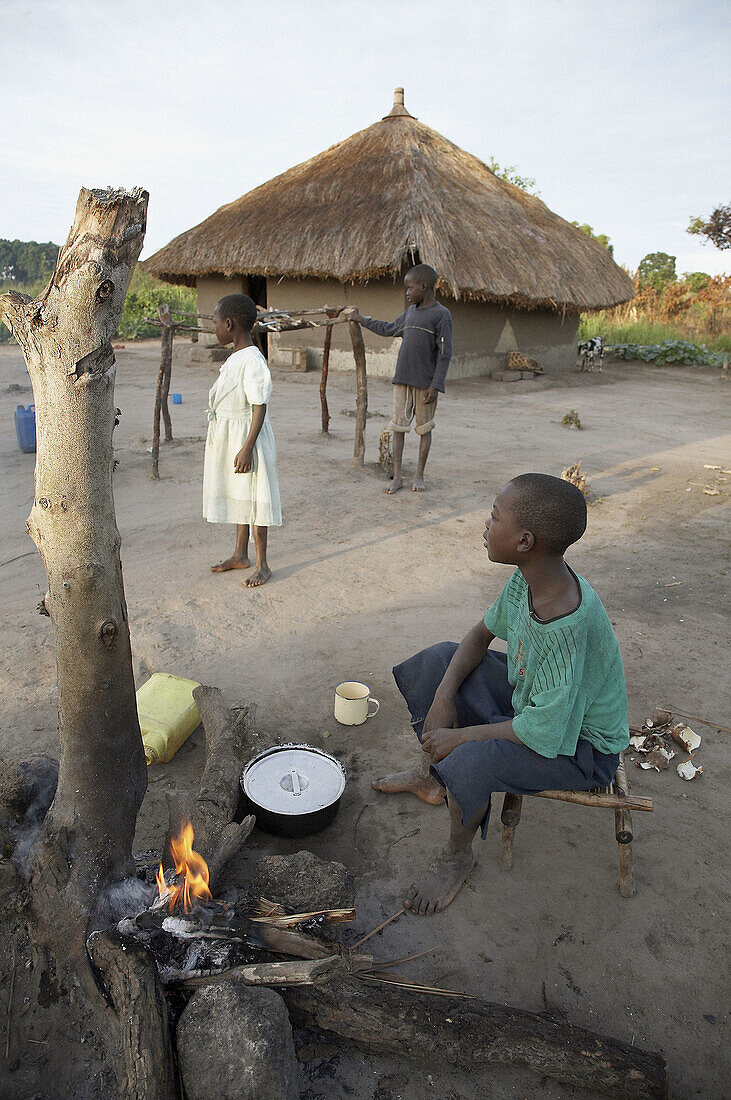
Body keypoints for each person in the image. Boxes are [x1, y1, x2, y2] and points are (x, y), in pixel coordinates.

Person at [372, 473, 630, 915]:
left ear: (525, 541)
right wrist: (442, 698)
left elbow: (543, 731)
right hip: (536, 705)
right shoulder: (528, 579)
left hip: (578, 747)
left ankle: (457, 855)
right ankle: (430, 776)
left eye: (494, 517)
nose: (485, 526)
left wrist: (459, 737)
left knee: (472, 757)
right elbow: (478, 636)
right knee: (439, 661)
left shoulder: (568, 624)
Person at [349, 263, 452, 494]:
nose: (406, 292)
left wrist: (435, 385)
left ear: (424, 286)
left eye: (409, 287)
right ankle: (397, 477)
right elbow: (388, 328)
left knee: (424, 429)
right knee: (398, 428)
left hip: (425, 384)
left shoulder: (441, 316)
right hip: (402, 380)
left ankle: (419, 475)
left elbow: (445, 354)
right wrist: (362, 320)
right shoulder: (410, 314)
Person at [203, 294, 281, 587]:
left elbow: (260, 405)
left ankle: (262, 564)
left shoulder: (253, 360)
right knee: (240, 495)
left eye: (215, 322)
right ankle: (240, 554)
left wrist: (248, 447)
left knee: (256, 499)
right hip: (235, 437)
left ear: (229, 323)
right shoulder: (237, 357)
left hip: (250, 439)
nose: (214, 327)